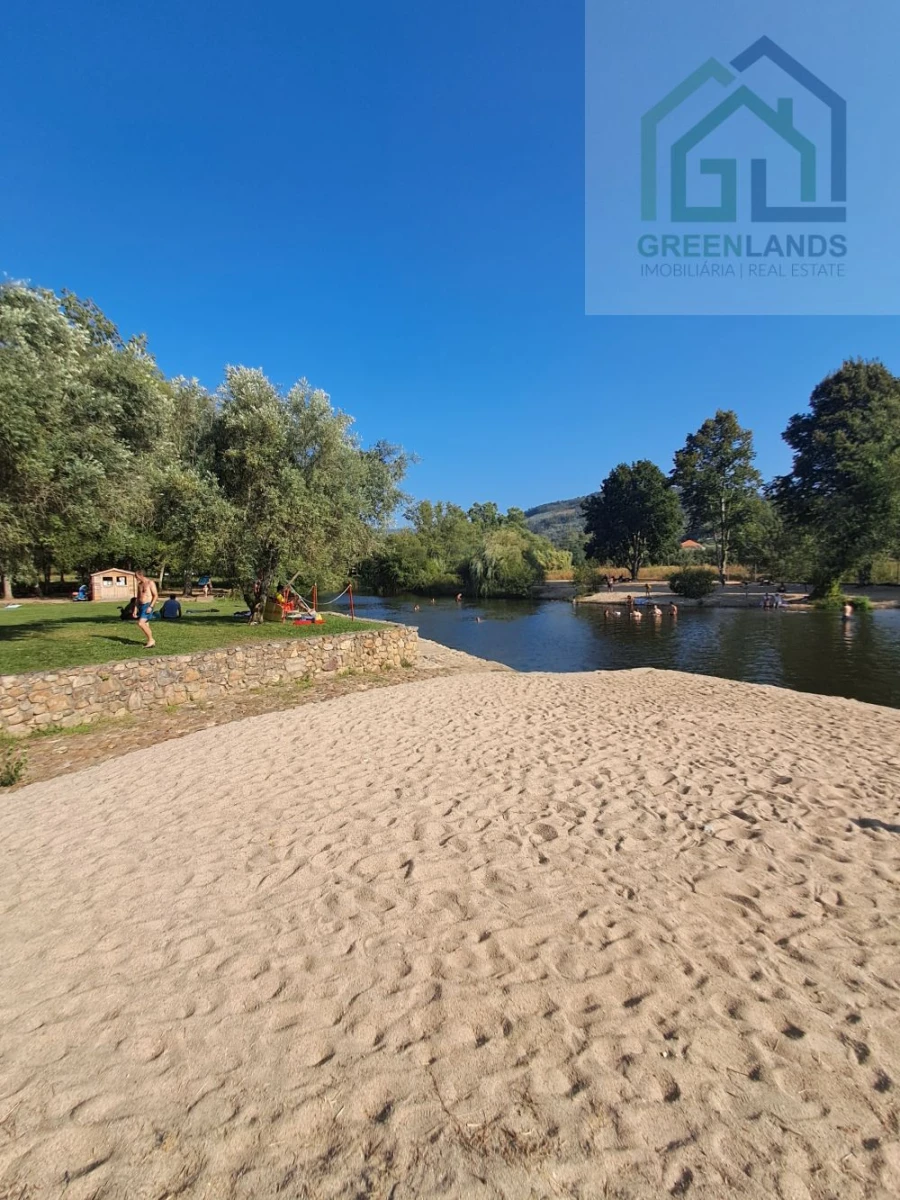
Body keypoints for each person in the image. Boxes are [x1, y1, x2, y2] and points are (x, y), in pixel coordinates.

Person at [135, 570, 158, 648]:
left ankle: (151, 640)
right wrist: (135, 608)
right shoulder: (139, 585)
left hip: (147, 605)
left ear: (141, 575)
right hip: (141, 606)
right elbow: (137, 597)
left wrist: (151, 606)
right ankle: (150, 641)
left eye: (137, 576)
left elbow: (155, 595)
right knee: (146, 624)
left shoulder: (150, 583)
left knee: (140, 623)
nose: (136, 578)